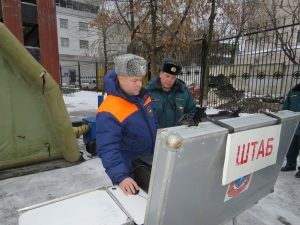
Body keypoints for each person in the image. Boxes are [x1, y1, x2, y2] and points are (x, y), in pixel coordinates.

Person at [96, 54, 158, 194]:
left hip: (150, 163)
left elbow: (154, 124)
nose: (140, 84)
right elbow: (107, 148)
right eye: (134, 80)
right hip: (130, 174)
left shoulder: (143, 97)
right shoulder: (109, 110)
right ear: (120, 78)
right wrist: (121, 177)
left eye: (141, 80)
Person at [144, 58, 197, 128]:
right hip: (154, 136)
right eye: (167, 76)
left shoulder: (184, 93)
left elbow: (192, 112)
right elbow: (140, 116)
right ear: (160, 74)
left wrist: (185, 123)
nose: (169, 80)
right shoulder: (147, 92)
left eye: (173, 77)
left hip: (177, 136)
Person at [281, 83, 300, 178]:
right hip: (294, 125)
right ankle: (290, 165)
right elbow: (286, 106)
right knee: (292, 148)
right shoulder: (293, 91)